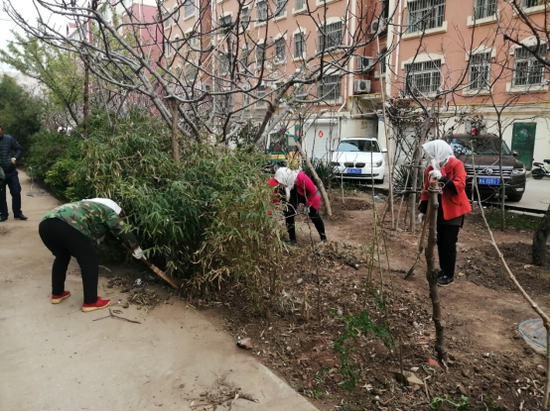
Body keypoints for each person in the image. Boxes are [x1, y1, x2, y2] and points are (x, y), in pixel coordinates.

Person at [39, 198, 145, 312]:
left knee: (62, 257)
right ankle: (91, 301)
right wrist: (135, 247)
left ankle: (57, 294)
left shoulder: (86, 206)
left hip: (45, 225)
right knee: (89, 261)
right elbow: (121, 228)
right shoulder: (107, 210)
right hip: (68, 225)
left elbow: (94, 232)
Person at [418, 140, 471, 287]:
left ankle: (449, 274)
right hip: (438, 211)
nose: (430, 156)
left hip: (454, 210)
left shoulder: (456, 165)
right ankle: (443, 270)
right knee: (440, 242)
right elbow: (426, 190)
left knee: (448, 243)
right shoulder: (431, 168)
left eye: (432, 153)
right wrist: (422, 211)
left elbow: (459, 187)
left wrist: (442, 178)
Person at [268, 167, 327, 245]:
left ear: (285, 179)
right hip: (296, 194)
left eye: (279, 183)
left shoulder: (301, 177)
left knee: (313, 214)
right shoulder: (283, 186)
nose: (279, 185)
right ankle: (292, 240)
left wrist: (307, 205)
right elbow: (274, 201)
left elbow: (312, 191)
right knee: (288, 213)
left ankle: (323, 238)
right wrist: (268, 216)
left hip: (311, 195)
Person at [0, 125, 27, 221]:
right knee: (1, 195)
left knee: (16, 192)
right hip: (0, 174)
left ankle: (17, 213)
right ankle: (3, 214)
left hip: (11, 171)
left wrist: (15, 158)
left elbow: (19, 149)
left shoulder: (9, 139)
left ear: (2, 130)